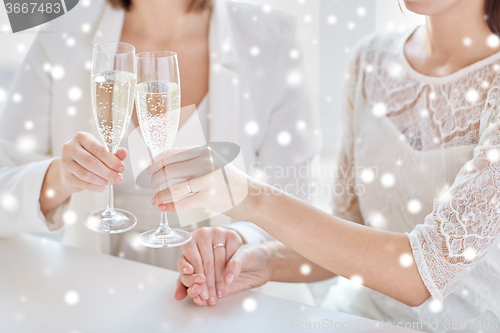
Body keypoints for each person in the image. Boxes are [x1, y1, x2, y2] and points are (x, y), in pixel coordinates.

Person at [152, 0, 500, 330]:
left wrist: (249, 197)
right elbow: (349, 231)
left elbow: (422, 275)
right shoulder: (372, 60)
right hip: (356, 317)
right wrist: (262, 260)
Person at [0, 0, 319, 301]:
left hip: (227, 296)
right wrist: (57, 178)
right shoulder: (62, 31)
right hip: (96, 292)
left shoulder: (272, 38)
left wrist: (243, 240)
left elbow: (300, 210)